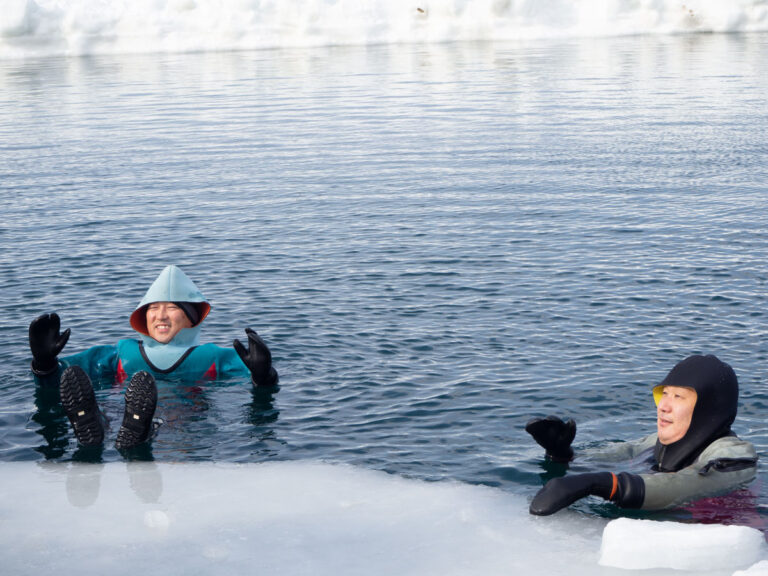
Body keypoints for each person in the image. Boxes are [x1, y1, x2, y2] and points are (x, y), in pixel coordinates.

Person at [29, 265, 278, 451]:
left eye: (172, 308)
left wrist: (263, 375)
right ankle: (96, 425)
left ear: (192, 318)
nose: (161, 316)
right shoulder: (122, 353)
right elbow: (69, 378)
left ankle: (119, 429)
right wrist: (45, 363)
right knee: (117, 414)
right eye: (153, 308)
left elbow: (256, 381)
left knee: (174, 420)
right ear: (143, 316)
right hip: (134, 412)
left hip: (182, 415)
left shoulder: (212, 357)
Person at [526, 354, 758, 515]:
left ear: (709, 408)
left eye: (678, 397)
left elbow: (687, 485)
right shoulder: (657, 444)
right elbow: (618, 454)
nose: (663, 406)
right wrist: (562, 454)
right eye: (664, 394)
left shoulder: (735, 456)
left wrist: (604, 484)